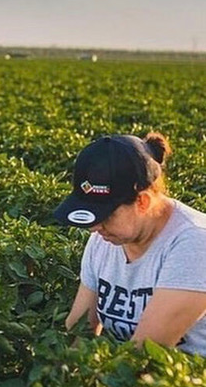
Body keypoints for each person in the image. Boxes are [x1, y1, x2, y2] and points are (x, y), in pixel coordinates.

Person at [54, 133, 206, 356]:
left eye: (105, 215)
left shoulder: (194, 243)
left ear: (142, 202)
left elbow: (143, 354)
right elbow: (78, 332)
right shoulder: (103, 241)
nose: (94, 227)